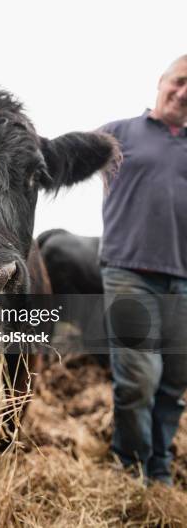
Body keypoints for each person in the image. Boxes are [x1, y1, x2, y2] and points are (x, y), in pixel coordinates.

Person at [99, 55, 187, 486]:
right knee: (138, 380)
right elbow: (59, 159)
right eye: (180, 81)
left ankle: (159, 467)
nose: (184, 93)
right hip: (129, 272)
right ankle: (129, 467)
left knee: (174, 382)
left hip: (184, 280)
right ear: (162, 81)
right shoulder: (117, 135)